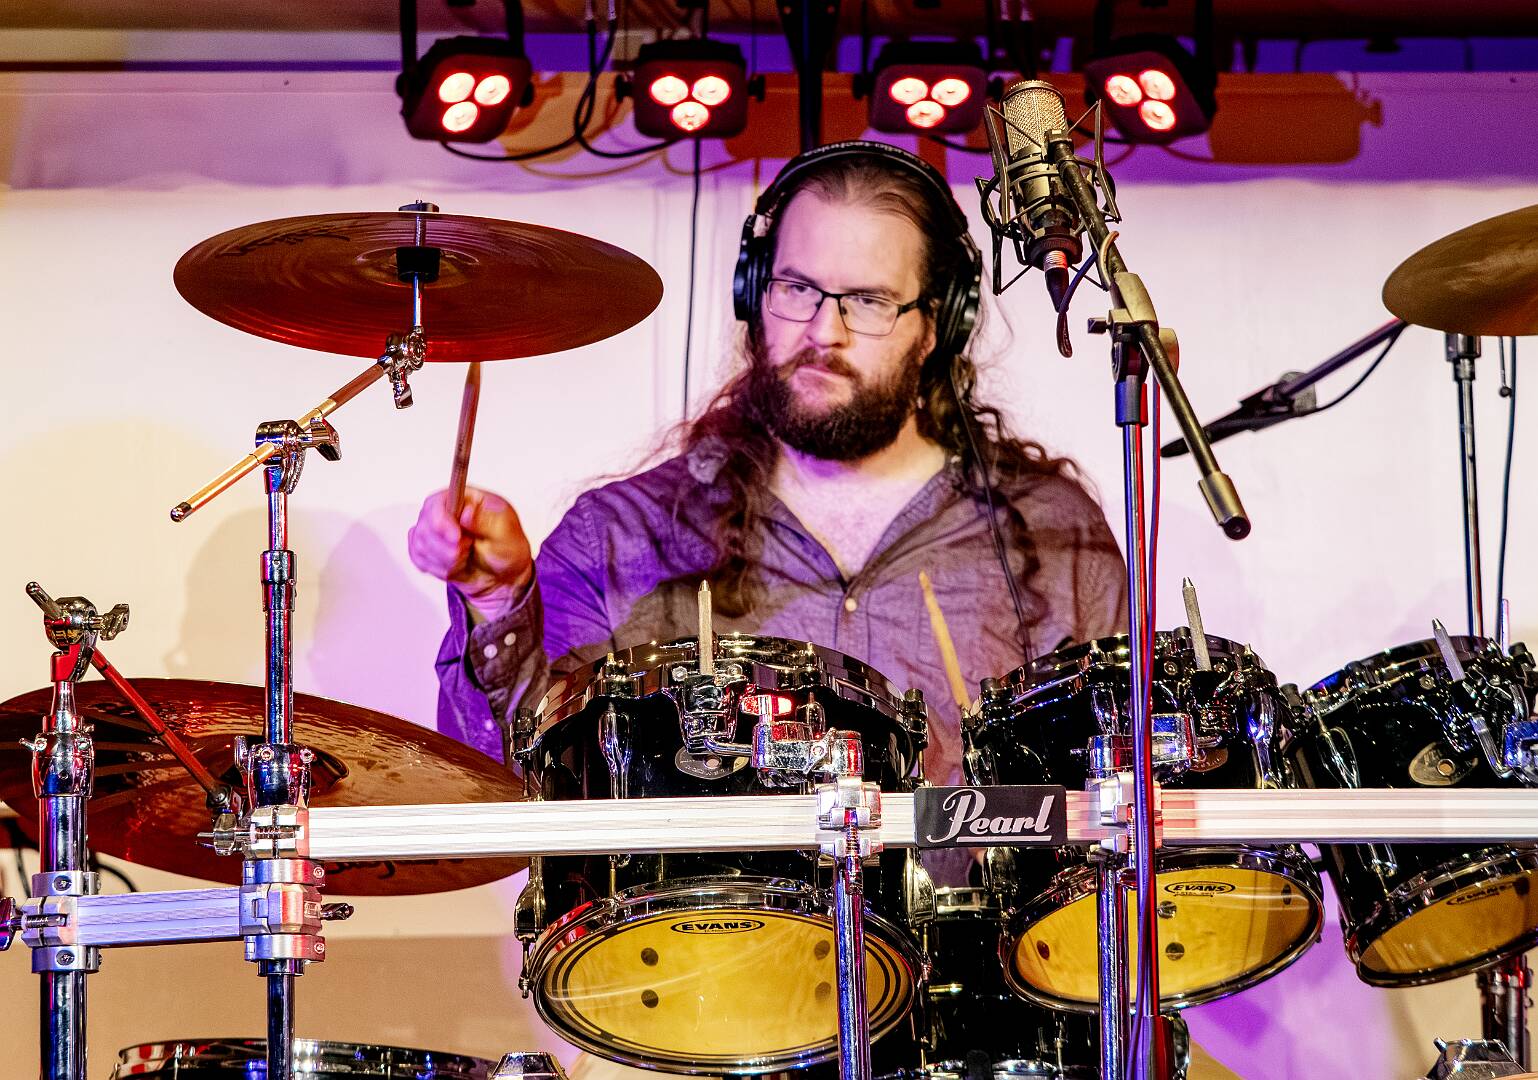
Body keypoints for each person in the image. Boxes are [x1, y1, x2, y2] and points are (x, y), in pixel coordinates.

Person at [408, 141, 1127, 847]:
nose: (824, 330)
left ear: (937, 326)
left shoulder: (1052, 535)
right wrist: (495, 602)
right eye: (797, 289)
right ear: (755, 293)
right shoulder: (622, 533)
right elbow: (509, 790)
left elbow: (1120, 808)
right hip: (705, 928)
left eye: (869, 301)